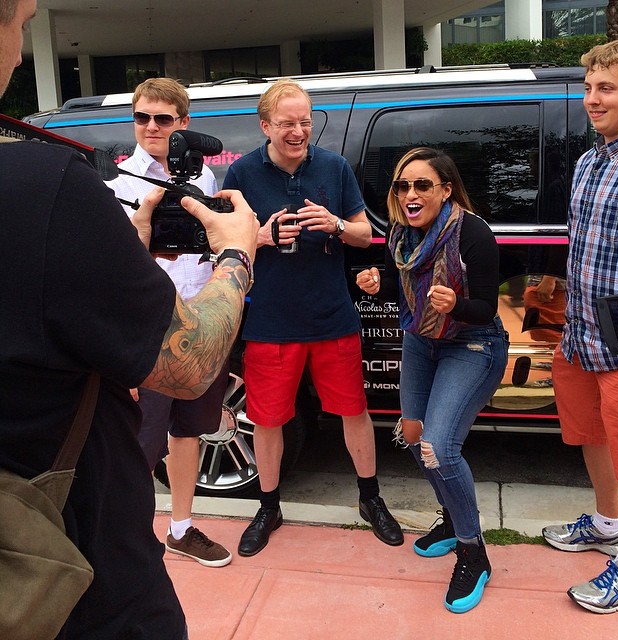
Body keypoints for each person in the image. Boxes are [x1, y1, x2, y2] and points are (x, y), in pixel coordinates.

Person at [0, 2, 259, 638]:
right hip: (60, 564)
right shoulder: (55, 183)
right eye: (22, 24)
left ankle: (181, 521)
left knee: (188, 439)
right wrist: (237, 252)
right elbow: (190, 363)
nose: (19, 45)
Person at [222, 79, 403, 557]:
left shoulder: (335, 166)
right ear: (266, 126)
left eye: (304, 121)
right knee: (267, 420)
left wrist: (337, 225)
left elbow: (366, 234)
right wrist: (260, 237)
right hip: (269, 320)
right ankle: (268, 507)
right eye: (287, 123)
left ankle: (371, 499)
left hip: (332, 317)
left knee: (354, 412)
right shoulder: (240, 174)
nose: (298, 131)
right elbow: (222, 247)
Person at [356, 147, 508, 613]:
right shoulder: (400, 233)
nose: (410, 194)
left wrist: (455, 305)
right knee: (415, 434)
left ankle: (473, 550)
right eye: (403, 186)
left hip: (474, 342)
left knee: (440, 447)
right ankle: (451, 518)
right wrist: (376, 280)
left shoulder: (473, 233)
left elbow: (486, 307)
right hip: (422, 341)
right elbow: (400, 276)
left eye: (422, 185)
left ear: (445, 189)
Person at [106, 77, 232, 568]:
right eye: (142, 117)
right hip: (149, 332)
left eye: (163, 118)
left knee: (188, 432)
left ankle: (180, 528)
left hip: (198, 322)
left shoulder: (203, 180)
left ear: (184, 122)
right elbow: (112, 271)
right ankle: (126, 540)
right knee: (138, 442)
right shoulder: (119, 184)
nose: (151, 127)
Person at [541, 39, 618, 614]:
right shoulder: (589, 160)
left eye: (607, 88)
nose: (592, 99)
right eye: (588, 88)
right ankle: (608, 523)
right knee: (592, 433)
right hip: (580, 327)